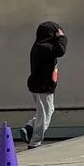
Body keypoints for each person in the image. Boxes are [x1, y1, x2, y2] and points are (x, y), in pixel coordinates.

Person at [25, 20, 66, 149]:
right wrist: (62, 37)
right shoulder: (46, 48)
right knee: (45, 115)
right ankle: (35, 141)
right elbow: (61, 50)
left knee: (45, 111)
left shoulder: (38, 46)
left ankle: (30, 127)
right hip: (43, 87)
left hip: (37, 86)